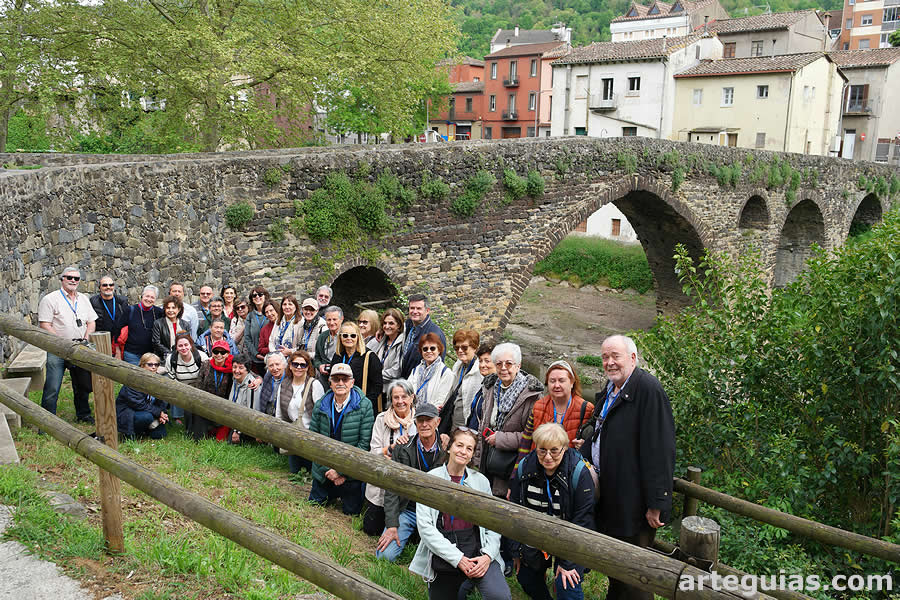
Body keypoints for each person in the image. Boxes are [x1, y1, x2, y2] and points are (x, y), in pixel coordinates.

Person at [579, 335, 675, 600]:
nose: (609, 363)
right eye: (605, 357)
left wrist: (659, 501)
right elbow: (603, 431)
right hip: (612, 495)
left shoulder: (648, 390)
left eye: (615, 356)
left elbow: (660, 448)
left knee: (634, 574)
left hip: (634, 502)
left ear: (633, 358)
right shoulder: (611, 389)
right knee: (617, 569)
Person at [409, 427, 511, 600]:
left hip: (477, 549)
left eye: (469, 448)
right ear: (449, 447)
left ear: (472, 454)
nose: (463, 451)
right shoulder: (431, 478)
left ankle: (470, 581)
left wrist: (487, 556)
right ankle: (464, 583)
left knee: (499, 596)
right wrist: (458, 559)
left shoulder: (481, 482)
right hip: (446, 552)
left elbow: (493, 525)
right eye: (459, 445)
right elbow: (426, 529)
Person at [509, 423, 595, 600]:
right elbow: (515, 511)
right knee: (526, 577)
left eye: (554, 451)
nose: (548, 457)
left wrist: (568, 562)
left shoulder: (579, 472)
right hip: (535, 532)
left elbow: (583, 520)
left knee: (566, 583)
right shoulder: (525, 468)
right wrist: (516, 550)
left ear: (564, 448)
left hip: (570, 536)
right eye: (542, 450)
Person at [376, 396, 446, 562]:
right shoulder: (403, 447)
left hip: (434, 513)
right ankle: (407, 532)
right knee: (384, 556)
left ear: (438, 422)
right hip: (408, 509)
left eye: (428, 420)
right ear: (415, 423)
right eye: (420, 420)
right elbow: (392, 488)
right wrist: (392, 525)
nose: (424, 424)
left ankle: (419, 536)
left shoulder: (448, 451)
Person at [472, 342, 542, 499]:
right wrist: (477, 458)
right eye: (499, 364)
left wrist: (501, 439)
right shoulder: (490, 388)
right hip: (487, 459)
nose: (503, 368)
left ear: (518, 366)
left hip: (510, 465)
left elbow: (533, 435)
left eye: (509, 363)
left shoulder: (531, 396)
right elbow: (483, 423)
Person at [307, 363, 374, 515]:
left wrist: (341, 471)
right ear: (330, 383)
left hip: (349, 474)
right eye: (336, 379)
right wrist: (327, 470)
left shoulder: (365, 406)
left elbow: (363, 445)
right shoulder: (320, 404)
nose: (341, 383)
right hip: (324, 471)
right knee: (313, 508)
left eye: (345, 379)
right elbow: (313, 441)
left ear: (352, 382)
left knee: (351, 513)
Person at [38, 266, 97, 423]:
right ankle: (47, 419)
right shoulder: (50, 299)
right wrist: (61, 343)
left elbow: (91, 322)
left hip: (80, 347)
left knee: (82, 385)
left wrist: (86, 339)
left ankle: (83, 415)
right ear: (62, 279)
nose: (73, 280)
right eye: (69, 277)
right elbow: (45, 324)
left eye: (76, 278)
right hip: (58, 349)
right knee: (53, 385)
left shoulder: (84, 299)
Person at [364, 379, 416, 536]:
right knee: (371, 530)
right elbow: (374, 450)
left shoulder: (419, 422)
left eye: (404, 397)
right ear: (391, 399)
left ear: (412, 398)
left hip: (406, 485)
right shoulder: (381, 419)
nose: (400, 402)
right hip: (382, 481)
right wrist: (390, 450)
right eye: (396, 398)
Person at [518, 360, 594, 461]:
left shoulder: (587, 409)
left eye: (561, 380)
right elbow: (526, 441)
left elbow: (595, 447)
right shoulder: (538, 406)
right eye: (552, 381)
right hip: (540, 468)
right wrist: (518, 471)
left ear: (572, 383)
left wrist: (586, 446)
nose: (556, 385)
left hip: (569, 471)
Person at [276, 350, 324, 472]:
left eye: (303, 365)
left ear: (308, 367)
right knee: (295, 473)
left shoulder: (314, 384)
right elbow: (279, 413)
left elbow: (321, 415)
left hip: (310, 436)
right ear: (290, 366)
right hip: (292, 435)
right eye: (295, 364)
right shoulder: (284, 385)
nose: (299, 367)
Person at [329, 321, 383, 411]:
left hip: (361, 407)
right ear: (340, 337)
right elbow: (331, 380)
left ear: (358, 337)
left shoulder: (369, 357)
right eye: (345, 335)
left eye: (353, 335)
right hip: (340, 405)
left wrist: (365, 404)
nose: (349, 338)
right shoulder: (338, 356)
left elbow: (377, 386)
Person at [115, 353, 169, 440]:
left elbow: (161, 401)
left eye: (156, 364)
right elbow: (138, 404)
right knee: (146, 417)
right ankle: (131, 433)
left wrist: (162, 414)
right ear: (142, 365)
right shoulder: (133, 379)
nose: (153, 367)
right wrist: (158, 413)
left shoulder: (158, 379)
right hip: (130, 412)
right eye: (150, 364)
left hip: (149, 410)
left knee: (160, 435)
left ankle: (146, 429)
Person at [161, 332, 208, 425]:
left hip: (198, 386)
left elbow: (207, 376)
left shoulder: (201, 356)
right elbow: (171, 377)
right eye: (180, 346)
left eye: (186, 345)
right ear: (176, 347)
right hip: (180, 385)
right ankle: (177, 416)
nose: (183, 348)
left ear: (191, 345)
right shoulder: (171, 359)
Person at [192, 339, 234, 440]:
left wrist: (258, 379)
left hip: (224, 405)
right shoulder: (206, 364)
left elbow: (248, 372)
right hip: (206, 402)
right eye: (216, 352)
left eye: (223, 352)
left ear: (227, 354)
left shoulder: (232, 367)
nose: (219, 355)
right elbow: (199, 384)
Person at [400, 294, 446, 379]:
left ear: (427, 310)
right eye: (412, 308)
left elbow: (437, 366)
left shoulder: (434, 334)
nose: (414, 311)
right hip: (406, 381)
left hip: (420, 383)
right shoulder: (409, 326)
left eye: (419, 308)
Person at [445, 329, 483, 434]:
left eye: (464, 347)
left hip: (467, 425)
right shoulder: (458, 366)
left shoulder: (480, 370)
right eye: (457, 348)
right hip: (452, 418)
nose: (460, 350)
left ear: (475, 348)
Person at [408, 333, 453, 412]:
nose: (429, 351)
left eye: (432, 348)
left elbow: (441, 401)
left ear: (439, 350)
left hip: (432, 417)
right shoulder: (415, 371)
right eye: (425, 349)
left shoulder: (445, 373)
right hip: (413, 416)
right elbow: (407, 393)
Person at [122, 285, 163, 365]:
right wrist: (117, 350)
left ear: (155, 299)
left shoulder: (159, 312)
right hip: (132, 355)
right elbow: (117, 329)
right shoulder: (130, 310)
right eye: (147, 296)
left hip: (151, 355)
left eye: (152, 297)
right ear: (142, 296)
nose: (149, 299)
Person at [90, 275, 128, 359]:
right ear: (99, 287)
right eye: (105, 285)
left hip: (118, 341)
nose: (108, 287)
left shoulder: (122, 301)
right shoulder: (93, 302)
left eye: (111, 285)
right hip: (101, 340)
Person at [227, 353, 260, 444]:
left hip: (247, 425)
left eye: (241, 368)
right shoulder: (235, 380)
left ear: (247, 370)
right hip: (235, 420)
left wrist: (237, 432)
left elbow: (252, 413)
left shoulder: (251, 385)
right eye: (234, 367)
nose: (237, 370)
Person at [371, 308, 405, 396]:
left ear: (399, 325)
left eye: (391, 323)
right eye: (385, 323)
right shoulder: (382, 340)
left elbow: (396, 371)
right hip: (378, 388)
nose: (387, 326)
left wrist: (375, 376)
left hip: (391, 391)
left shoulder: (401, 344)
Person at [466, 344, 496, 430]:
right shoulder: (485, 385)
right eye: (480, 361)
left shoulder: (497, 389)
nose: (482, 365)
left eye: (487, 361)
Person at [313, 305, 344, 386]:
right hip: (324, 378)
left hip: (341, 377)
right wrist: (319, 366)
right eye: (329, 320)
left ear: (341, 319)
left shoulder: (347, 336)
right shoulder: (322, 336)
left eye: (334, 319)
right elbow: (317, 357)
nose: (331, 323)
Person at [244, 286, 271, 374]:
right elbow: (247, 338)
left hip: (271, 357)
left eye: (260, 294)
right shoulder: (250, 316)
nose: (257, 297)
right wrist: (256, 354)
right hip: (256, 359)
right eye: (254, 295)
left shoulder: (271, 313)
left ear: (265, 296)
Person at [257, 352, 287, 416]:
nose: (274, 368)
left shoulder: (289, 379)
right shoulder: (267, 377)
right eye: (271, 365)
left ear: (284, 365)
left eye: (277, 364)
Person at [256, 300, 280, 368]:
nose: (269, 314)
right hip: (272, 361)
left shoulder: (284, 324)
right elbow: (260, 349)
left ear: (277, 310)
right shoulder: (264, 329)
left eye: (271, 310)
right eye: (266, 312)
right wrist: (273, 348)